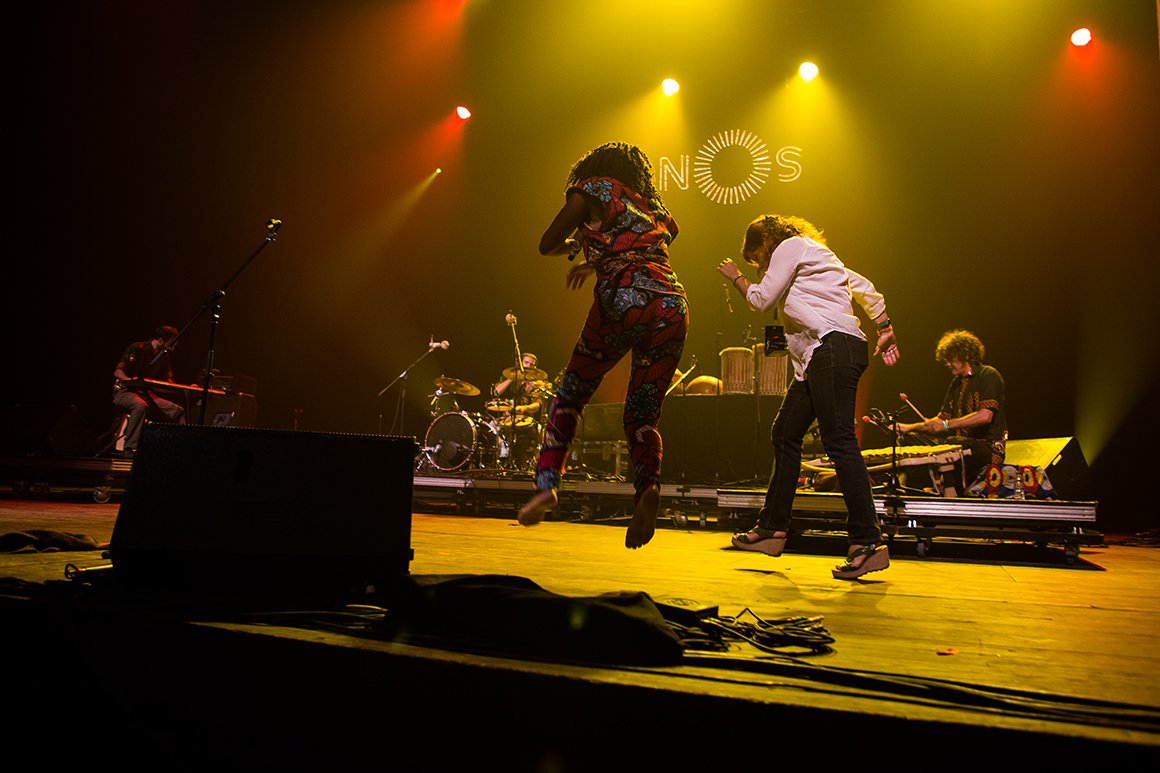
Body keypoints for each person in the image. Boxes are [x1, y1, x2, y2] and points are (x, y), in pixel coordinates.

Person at [517, 142, 689, 549]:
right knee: (643, 414)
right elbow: (645, 242)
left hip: (623, 299)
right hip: (671, 304)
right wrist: (593, 257)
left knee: (571, 394)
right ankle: (648, 488)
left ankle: (546, 484)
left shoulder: (591, 189)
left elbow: (547, 243)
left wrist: (573, 247)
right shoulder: (651, 205)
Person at [716, 215, 900, 580]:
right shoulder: (815, 255)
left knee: (839, 442)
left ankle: (867, 542)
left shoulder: (792, 246)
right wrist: (884, 326)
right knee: (785, 432)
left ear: (767, 241)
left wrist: (736, 277)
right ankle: (773, 529)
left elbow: (759, 299)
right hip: (822, 356)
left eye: (758, 258)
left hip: (833, 348)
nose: (760, 267)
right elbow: (863, 286)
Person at [892, 329, 1006, 494]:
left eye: (950, 359)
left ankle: (949, 487)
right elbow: (939, 421)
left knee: (953, 442)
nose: (946, 364)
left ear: (965, 355)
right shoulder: (956, 384)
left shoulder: (989, 375)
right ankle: (900, 488)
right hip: (957, 445)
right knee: (907, 439)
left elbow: (985, 416)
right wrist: (908, 427)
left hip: (987, 448)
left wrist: (946, 425)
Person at [111, 325, 187, 455]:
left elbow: (166, 380)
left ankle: (182, 448)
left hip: (147, 394)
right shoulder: (137, 348)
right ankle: (130, 448)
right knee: (140, 406)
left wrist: (185, 387)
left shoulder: (164, 356)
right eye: (173, 342)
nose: (175, 345)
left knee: (178, 411)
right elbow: (118, 372)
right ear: (161, 340)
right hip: (124, 391)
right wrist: (130, 381)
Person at [490, 352, 545, 470]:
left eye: (532, 364)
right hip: (506, 418)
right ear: (520, 363)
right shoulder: (509, 376)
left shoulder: (536, 382)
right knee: (490, 426)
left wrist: (524, 408)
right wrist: (512, 377)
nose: (528, 366)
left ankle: (532, 463)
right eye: (526, 363)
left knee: (540, 430)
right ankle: (496, 458)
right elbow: (495, 393)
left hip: (525, 419)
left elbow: (537, 405)